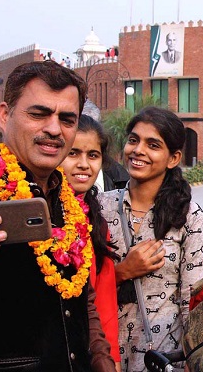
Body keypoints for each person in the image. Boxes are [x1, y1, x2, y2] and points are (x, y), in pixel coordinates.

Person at [0, 61, 115, 371]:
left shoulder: (70, 203)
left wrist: (102, 361)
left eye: (67, 119)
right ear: (4, 115)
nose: (54, 129)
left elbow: (83, 303)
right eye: (38, 114)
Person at [100, 107, 203, 371]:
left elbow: (191, 299)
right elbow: (81, 288)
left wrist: (192, 357)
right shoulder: (101, 207)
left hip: (162, 358)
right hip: (104, 354)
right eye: (134, 140)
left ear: (173, 158)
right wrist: (121, 272)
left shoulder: (188, 216)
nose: (138, 150)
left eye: (153, 145)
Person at [61, 115, 122, 370]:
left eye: (93, 155)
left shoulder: (97, 221)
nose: (84, 165)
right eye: (73, 153)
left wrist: (112, 359)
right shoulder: (43, 213)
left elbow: (104, 299)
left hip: (89, 351)